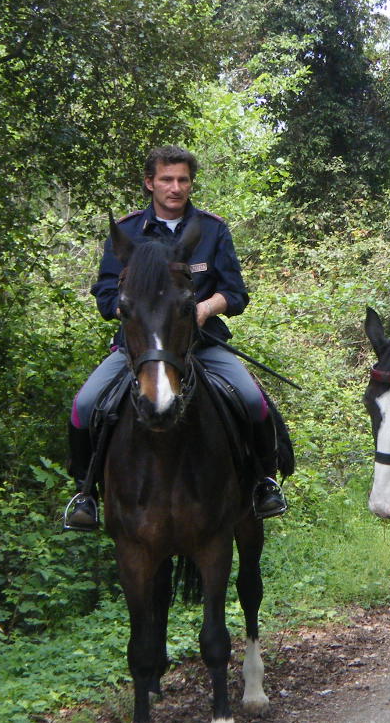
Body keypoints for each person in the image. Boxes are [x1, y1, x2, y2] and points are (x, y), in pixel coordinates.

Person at [62, 145, 287, 530]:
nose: (175, 187)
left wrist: (204, 308)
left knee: (253, 401)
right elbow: (104, 294)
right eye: (166, 179)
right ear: (150, 183)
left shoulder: (213, 229)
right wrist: (134, 311)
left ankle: (264, 485)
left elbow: (235, 293)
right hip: (139, 347)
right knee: (84, 406)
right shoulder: (128, 230)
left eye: (183, 179)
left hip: (203, 342)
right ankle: (86, 494)